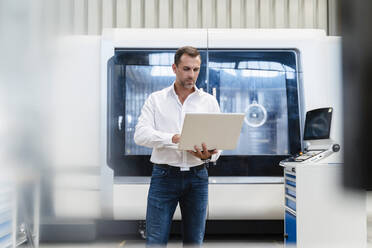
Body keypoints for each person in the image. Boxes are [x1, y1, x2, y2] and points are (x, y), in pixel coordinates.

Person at [134, 46, 221, 247]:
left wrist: (208, 156)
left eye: (196, 69)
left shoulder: (208, 102)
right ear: (174, 68)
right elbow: (140, 135)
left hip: (198, 177)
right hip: (164, 177)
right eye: (186, 69)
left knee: (194, 241)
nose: (192, 74)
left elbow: (219, 146)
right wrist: (174, 139)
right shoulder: (156, 100)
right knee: (155, 240)